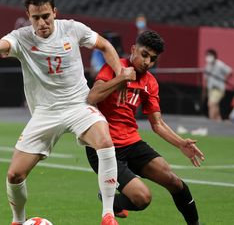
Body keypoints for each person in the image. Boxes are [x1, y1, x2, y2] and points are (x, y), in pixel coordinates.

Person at [0, 0, 134, 225]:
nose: (42, 23)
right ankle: (18, 220)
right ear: (28, 16)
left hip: (78, 104)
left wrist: (120, 72)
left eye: (46, 16)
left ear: (54, 12)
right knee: (14, 174)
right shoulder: (21, 37)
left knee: (104, 140)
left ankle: (108, 215)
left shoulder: (72, 29)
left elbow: (105, 46)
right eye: (36, 18)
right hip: (45, 112)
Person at [85, 31, 205, 225]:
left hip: (131, 142)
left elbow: (157, 123)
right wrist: (121, 79)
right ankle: (110, 198)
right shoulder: (115, 68)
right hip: (104, 146)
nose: (148, 62)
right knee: (142, 198)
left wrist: (181, 143)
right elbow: (92, 97)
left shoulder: (150, 82)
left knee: (174, 181)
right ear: (133, 50)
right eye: (144, 54)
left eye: (153, 59)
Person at [204, 48, 232, 121]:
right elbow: (206, 78)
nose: (208, 57)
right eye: (207, 55)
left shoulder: (220, 64)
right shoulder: (208, 66)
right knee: (214, 106)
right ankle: (218, 121)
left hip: (218, 88)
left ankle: (211, 122)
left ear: (214, 56)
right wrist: (205, 90)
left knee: (211, 104)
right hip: (211, 89)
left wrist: (225, 80)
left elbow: (230, 71)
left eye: (210, 55)